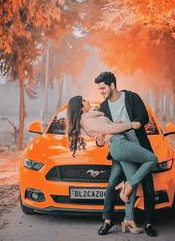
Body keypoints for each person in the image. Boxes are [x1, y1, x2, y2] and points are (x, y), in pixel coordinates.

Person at [67, 95, 158, 235]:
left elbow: (107, 128)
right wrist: (130, 125)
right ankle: (127, 187)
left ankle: (128, 219)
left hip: (120, 142)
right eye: (84, 101)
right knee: (152, 159)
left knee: (131, 178)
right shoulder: (87, 121)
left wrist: (115, 125)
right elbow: (110, 129)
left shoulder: (93, 116)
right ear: (80, 107)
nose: (88, 100)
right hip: (119, 144)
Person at [95, 71, 158, 237]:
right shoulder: (103, 107)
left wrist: (127, 125)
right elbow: (101, 130)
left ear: (112, 85)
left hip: (139, 147)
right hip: (120, 150)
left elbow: (143, 117)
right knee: (112, 182)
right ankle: (107, 220)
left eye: (102, 88)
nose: (101, 92)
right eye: (99, 89)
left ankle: (149, 222)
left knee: (148, 187)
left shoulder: (131, 97)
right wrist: (101, 137)